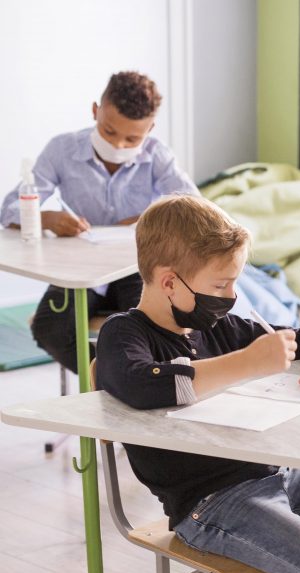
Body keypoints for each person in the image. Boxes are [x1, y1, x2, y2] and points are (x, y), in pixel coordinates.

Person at [96, 195, 300, 573]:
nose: (232, 297)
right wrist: (247, 362)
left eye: (235, 282)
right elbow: (141, 384)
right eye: (220, 285)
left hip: (282, 475)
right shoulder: (124, 333)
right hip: (209, 504)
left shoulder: (217, 327)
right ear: (170, 282)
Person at [1, 70, 198, 373]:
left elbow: (194, 207)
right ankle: (110, 383)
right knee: (49, 329)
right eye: (109, 131)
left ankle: (136, 384)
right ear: (95, 111)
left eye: (132, 138)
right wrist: (46, 218)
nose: (119, 145)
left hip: (137, 268)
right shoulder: (62, 150)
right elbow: (9, 210)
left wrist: (149, 218)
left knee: (153, 327)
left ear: (150, 129)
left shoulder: (157, 155)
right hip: (81, 269)